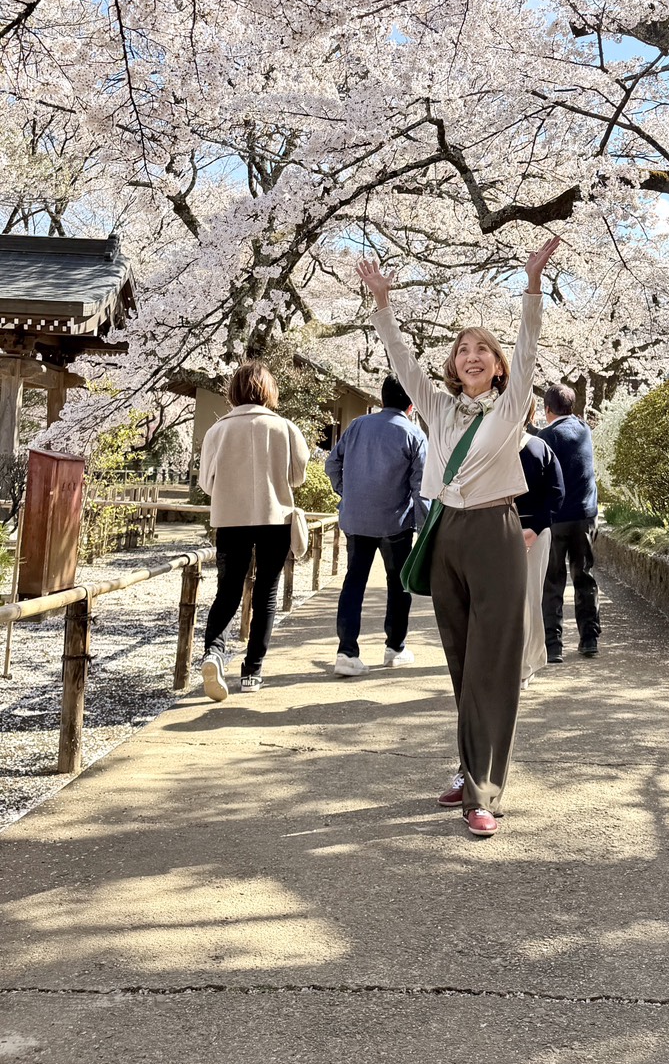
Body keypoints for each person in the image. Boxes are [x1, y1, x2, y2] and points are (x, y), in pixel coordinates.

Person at [357, 236, 560, 838]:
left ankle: (483, 792)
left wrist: (531, 285)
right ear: (452, 366)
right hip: (445, 532)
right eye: (461, 350)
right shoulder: (437, 408)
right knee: (461, 659)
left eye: (482, 351)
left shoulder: (510, 405)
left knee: (493, 667)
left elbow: (528, 349)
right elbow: (401, 363)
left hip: (498, 531)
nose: (470, 356)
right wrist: (383, 304)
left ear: (497, 366)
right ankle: (471, 766)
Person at [198, 359, 309, 699]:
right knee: (266, 594)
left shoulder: (218, 430)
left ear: (233, 392)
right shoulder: (285, 428)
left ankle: (214, 653)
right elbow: (298, 476)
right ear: (269, 392)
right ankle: (252, 670)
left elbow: (206, 483)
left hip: (231, 520)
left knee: (228, 591)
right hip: (274, 518)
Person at [324, 375, 428, 677]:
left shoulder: (357, 425)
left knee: (354, 581)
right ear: (411, 404)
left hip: (356, 518)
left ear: (382, 399)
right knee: (399, 584)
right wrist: (425, 528)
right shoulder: (414, 434)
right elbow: (420, 488)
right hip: (395, 522)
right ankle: (395, 648)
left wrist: (348, 492)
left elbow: (332, 464)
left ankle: (346, 651)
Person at [538, 382, 600, 662]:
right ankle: (589, 639)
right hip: (584, 517)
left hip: (556, 520)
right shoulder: (584, 430)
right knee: (584, 577)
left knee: (552, 582)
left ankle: (553, 645)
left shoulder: (546, 436)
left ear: (547, 409)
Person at [517, 403, 565, 688]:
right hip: (535, 531)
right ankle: (526, 665)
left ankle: (510, 664)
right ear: (531, 415)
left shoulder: (490, 449)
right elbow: (557, 493)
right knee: (530, 598)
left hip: (498, 528)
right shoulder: (540, 448)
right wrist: (535, 528)